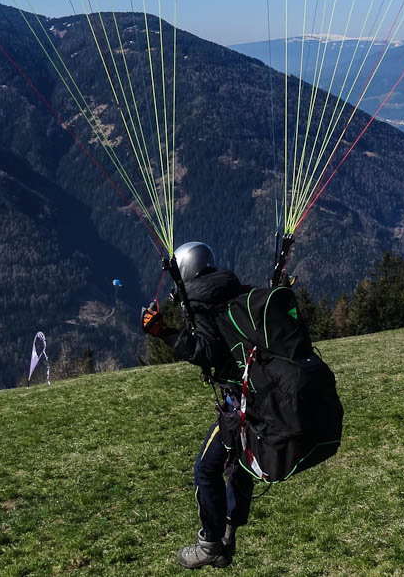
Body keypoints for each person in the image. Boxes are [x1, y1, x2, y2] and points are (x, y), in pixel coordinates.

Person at [142, 241, 255, 570]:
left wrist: (164, 333)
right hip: (258, 396)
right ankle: (229, 530)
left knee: (206, 469)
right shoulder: (232, 289)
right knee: (238, 464)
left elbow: (205, 351)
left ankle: (210, 544)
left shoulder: (200, 299)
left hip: (241, 403)